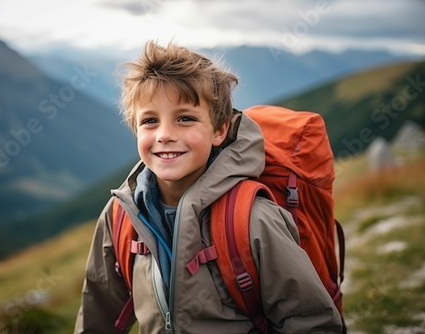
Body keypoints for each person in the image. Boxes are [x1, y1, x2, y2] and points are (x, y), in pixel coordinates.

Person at [74, 40, 342, 333]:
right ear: (135, 129)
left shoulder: (252, 218)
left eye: (185, 118)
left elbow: (312, 323)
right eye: (150, 121)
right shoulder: (120, 218)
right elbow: (96, 314)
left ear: (219, 130)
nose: (164, 135)